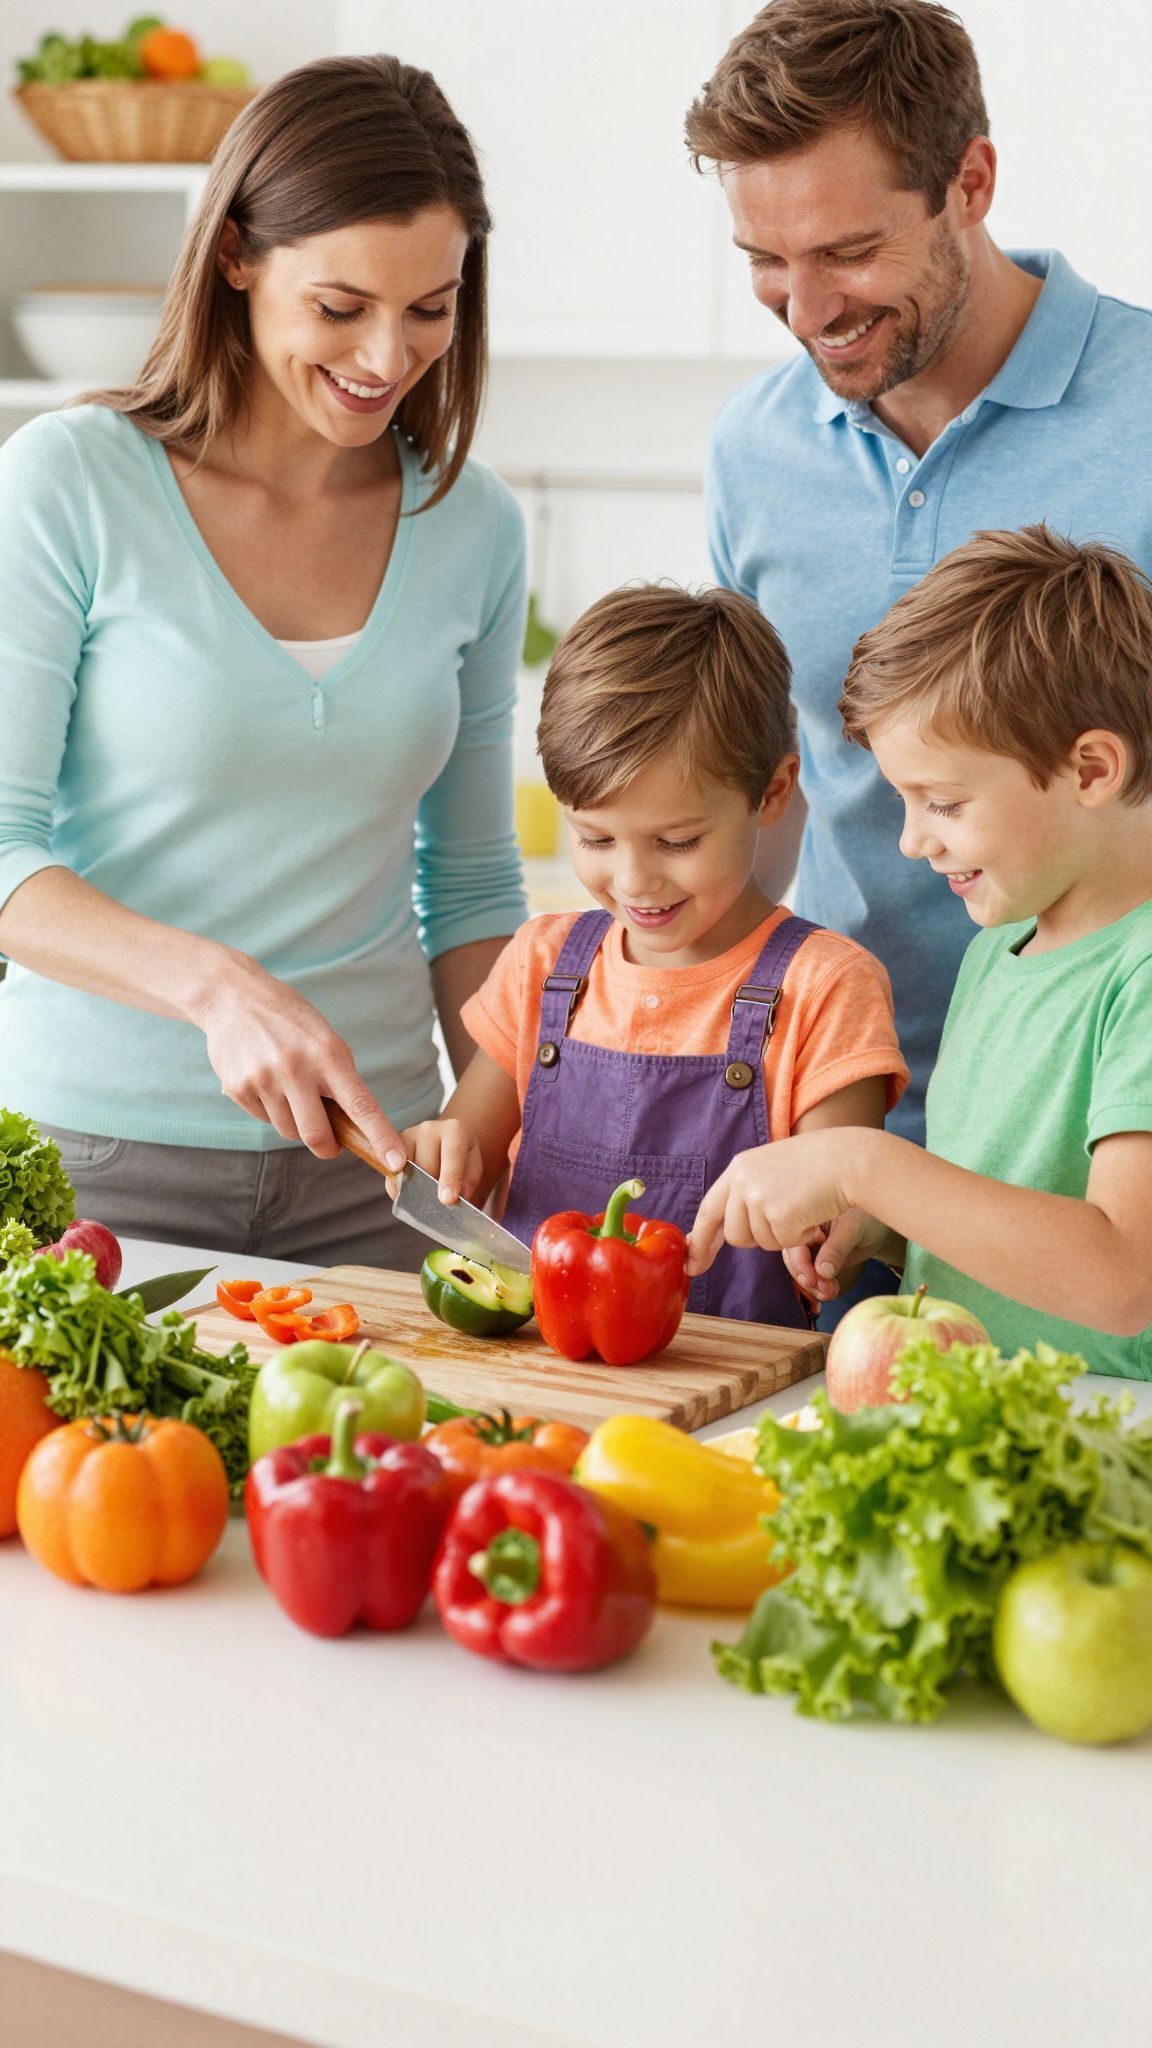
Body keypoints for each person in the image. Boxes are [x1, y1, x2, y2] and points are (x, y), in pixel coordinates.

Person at [0, 56, 528, 1268]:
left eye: (432, 307)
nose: (388, 357)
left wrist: (492, 1108)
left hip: (378, 1171)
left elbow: (476, 883)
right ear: (235, 254)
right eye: (341, 307)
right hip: (93, 1163)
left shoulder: (473, 523)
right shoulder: (71, 480)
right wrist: (216, 988)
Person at [686, 0, 1152, 1144]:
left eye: (849, 252)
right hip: (843, 1120)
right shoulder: (755, 450)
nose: (806, 311)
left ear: (972, 183)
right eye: (764, 261)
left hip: (1102, 1139)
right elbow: (771, 790)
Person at [687, 527, 1152, 1379]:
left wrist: (867, 1165)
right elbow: (1014, 1212)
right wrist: (896, 1230)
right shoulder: (1000, 947)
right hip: (988, 1419)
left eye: (942, 802)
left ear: (1092, 769)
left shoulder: (1142, 977)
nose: (912, 842)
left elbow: (1126, 1275)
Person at [393, 582, 907, 1326]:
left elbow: (844, 1209)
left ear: (773, 792)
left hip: (736, 1388)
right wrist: (441, 1154)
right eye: (596, 838)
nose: (634, 881)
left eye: (678, 842)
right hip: (544, 1372)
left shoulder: (827, 988)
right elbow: (462, 1162)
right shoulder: (543, 964)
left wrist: (834, 1230)